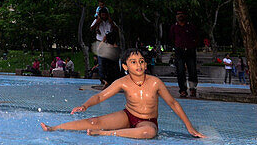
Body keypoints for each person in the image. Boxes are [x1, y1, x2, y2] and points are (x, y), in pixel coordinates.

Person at [40, 49, 205, 139]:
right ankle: (54, 128)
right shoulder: (123, 82)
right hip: (128, 115)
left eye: (141, 61)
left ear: (145, 65)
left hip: (147, 121)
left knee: (149, 133)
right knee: (94, 121)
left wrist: (190, 127)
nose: (138, 65)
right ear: (126, 67)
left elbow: (174, 104)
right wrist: (85, 105)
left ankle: (105, 134)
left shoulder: (155, 82)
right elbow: (100, 96)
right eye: (133, 62)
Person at [169, 9, 200, 98]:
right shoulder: (174, 28)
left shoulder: (191, 27)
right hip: (179, 51)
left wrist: (193, 46)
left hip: (190, 50)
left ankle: (193, 88)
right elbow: (171, 38)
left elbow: (197, 37)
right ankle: (182, 90)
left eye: (182, 14)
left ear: (185, 16)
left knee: (192, 70)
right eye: (178, 14)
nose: (180, 16)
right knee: (180, 71)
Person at [91, 8, 122, 87]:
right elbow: (91, 28)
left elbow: (116, 29)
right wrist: (97, 22)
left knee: (112, 63)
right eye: (102, 15)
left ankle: (113, 79)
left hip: (110, 43)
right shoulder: (97, 21)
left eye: (105, 15)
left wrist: (111, 22)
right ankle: (103, 80)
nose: (104, 16)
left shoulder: (110, 21)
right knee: (101, 63)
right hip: (101, 42)